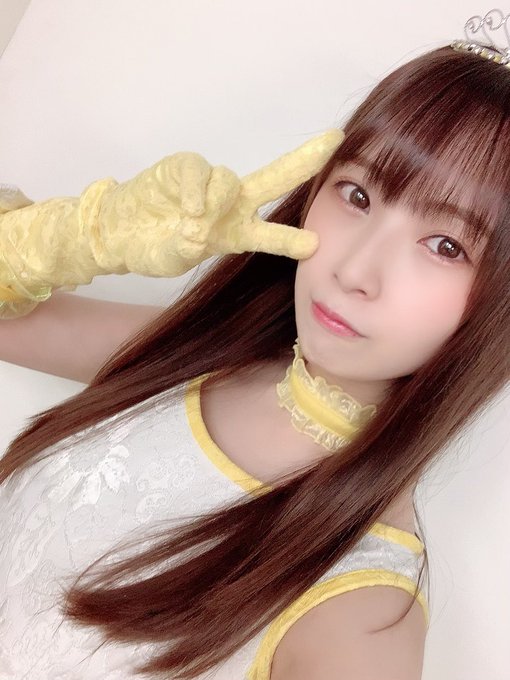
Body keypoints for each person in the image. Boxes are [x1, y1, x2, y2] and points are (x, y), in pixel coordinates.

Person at [0, 15, 509, 678]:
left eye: (445, 246)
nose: (354, 270)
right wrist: (85, 235)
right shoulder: (199, 354)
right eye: (357, 194)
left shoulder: (362, 619)